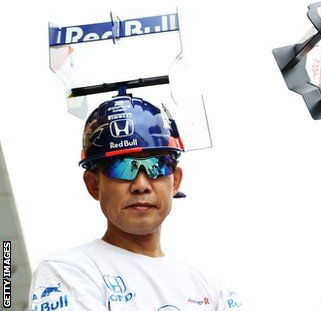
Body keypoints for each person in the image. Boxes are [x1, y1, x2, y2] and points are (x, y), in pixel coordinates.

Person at [28, 92, 245, 311]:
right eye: (122, 166)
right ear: (94, 184)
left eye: (156, 165)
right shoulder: (67, 271)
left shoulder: (210, 286)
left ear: (175, 181)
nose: (141, 184)